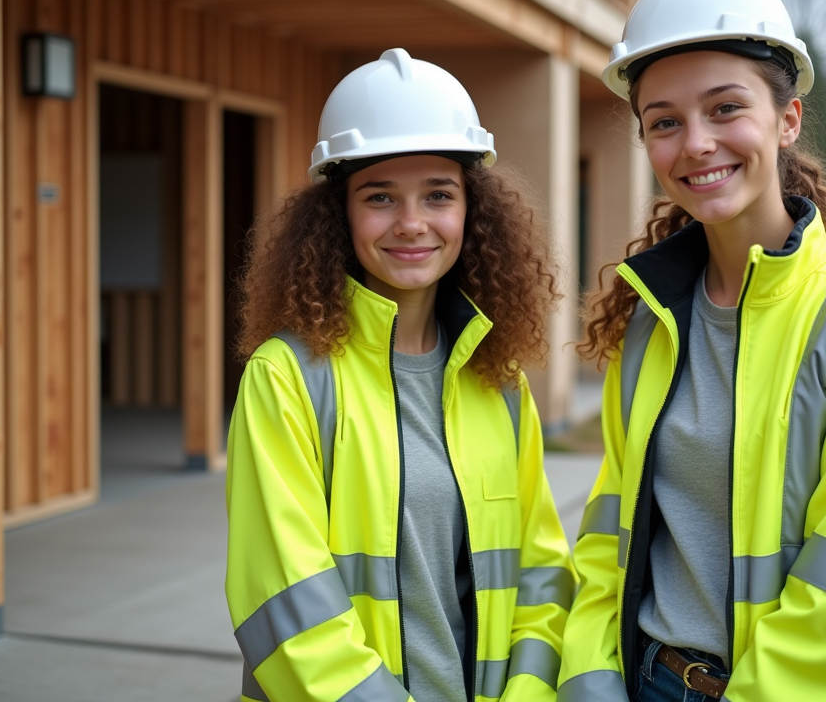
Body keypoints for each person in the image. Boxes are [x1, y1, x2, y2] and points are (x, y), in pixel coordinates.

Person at [558, 0, 826, 702]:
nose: (695, 143)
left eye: (725, 108)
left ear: (787, 119)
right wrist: (588, 677)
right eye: (664, 122)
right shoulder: (651, 324)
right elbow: (609, 537)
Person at [226, 48, 575, 702]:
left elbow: (542, 575)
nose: (411, 224)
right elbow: (284, 604)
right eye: (379, 197)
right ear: (340, 216)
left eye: (437, 195)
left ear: (472, 211)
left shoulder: (496, 380)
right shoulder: (288, 378)